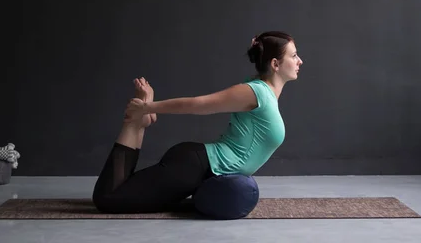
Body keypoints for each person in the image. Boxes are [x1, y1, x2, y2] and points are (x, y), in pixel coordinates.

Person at [92, 31, 303, 213]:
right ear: (275, 64)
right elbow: (199, 104)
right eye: (293, 56)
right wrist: (149, 106)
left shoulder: (264, 94)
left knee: (125, 194)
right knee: (108, 199)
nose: (299, 61)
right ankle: (135, 121)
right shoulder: (256, 92)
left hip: (203, 170)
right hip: (196, 166)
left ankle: (139, 122)